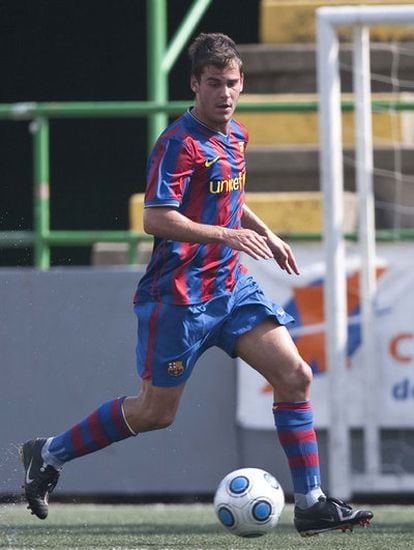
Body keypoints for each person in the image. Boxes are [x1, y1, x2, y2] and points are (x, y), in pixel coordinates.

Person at [20, 32, 373, 536]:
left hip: (231, 289)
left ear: (242, 82)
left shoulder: (238, 135)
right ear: (194, 84)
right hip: (179, 299)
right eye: (213, 84)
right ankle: (48, 452)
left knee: (294, 376)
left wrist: (264, 231)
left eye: (231, 84)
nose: (224, 94)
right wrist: (227, 234)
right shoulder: (177, 143)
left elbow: (227, 197)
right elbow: (157, 218)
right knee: (154, 413)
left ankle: (312, 501)